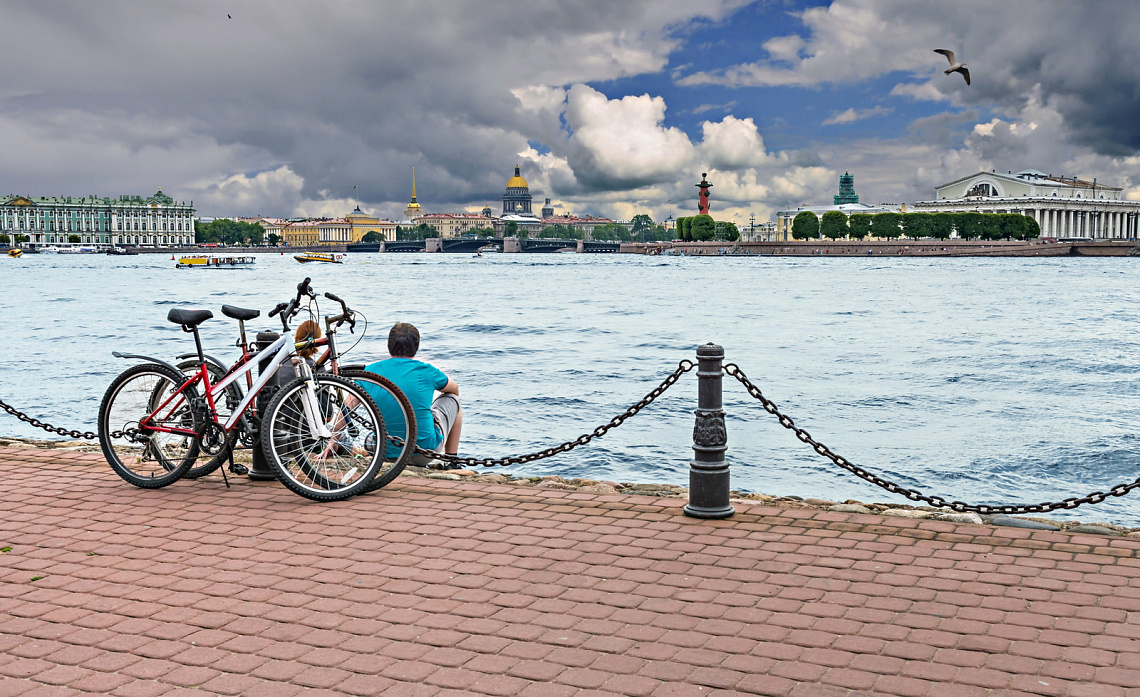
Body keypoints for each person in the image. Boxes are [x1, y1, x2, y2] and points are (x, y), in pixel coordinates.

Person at [362, 322, 462, 467]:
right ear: (416, 347)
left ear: (389, 346)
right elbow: (454, 389)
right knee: (454, 400)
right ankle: (452, 461)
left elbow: (346, 408)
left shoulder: (370, 371)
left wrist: (332, 442)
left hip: (383, 453)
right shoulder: (427, 370)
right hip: (424, 453)